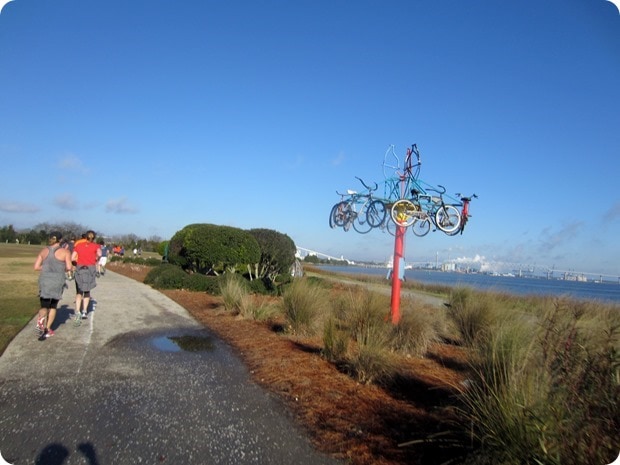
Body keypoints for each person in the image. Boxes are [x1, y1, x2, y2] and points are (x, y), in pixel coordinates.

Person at [34, 231, 73, 339]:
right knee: (53, 305)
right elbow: (69, 267)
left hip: (44, 280)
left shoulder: (44, 251)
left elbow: (36, 267)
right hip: (57, 281)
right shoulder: (65, 252)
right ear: (60, 240)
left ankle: (40, 320)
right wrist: (60, 267)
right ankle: (47, 328)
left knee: (44, 304)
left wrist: (47, 267)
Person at [72, 230, 102, 319]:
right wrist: (96, 258)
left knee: (79, 291)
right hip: (90, 268)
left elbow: (72, 257)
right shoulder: (96, 246)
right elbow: (99, 254)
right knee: (87, 291)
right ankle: (84, 311)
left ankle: (77, 311)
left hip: (80, 268)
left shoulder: (79, 245)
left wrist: (76, 263)